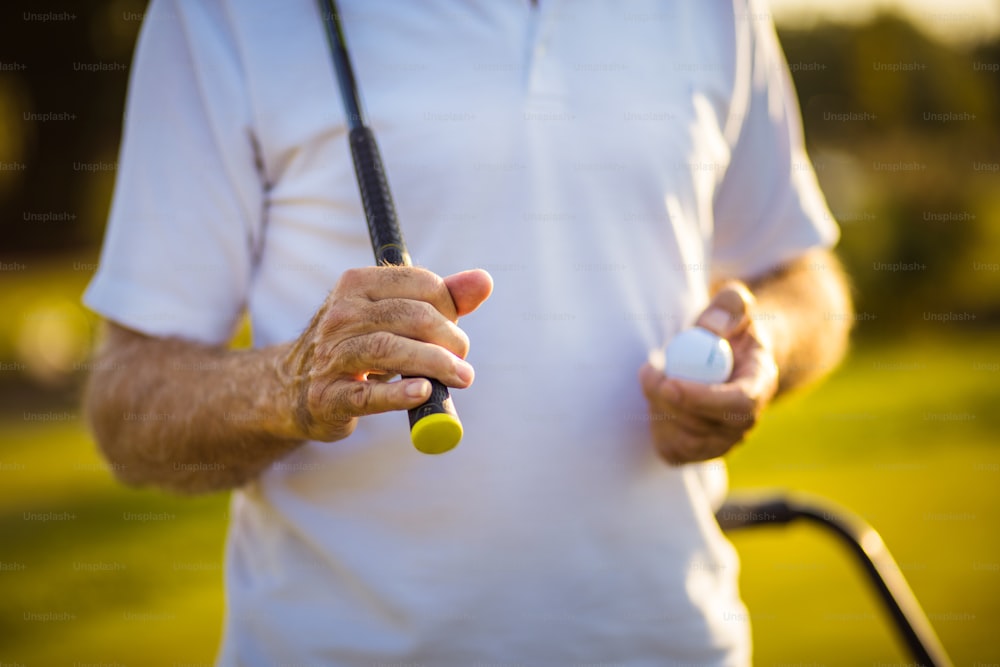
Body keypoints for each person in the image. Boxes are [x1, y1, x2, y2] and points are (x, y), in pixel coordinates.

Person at [83, 0, 852, 664]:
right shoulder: (225, 15)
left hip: (678, 643)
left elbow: (804, 277)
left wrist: (771, 342)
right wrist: (289, 384)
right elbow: (126, 401)